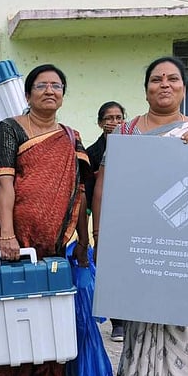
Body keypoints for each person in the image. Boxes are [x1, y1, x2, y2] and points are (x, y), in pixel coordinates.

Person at [92, 56, 188, 376]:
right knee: (142, 315)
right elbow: (105, 187)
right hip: (141, 239)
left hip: (185, 244)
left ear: (183, 86)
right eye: (156, 79)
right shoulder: (126, 133)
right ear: (145, 87)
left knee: (185, 319)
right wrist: (101, 235)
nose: (164, 85)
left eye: (173, 79)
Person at [0, 63, 91, 376]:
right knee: (7, 312)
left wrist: (84, 241)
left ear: (64, 95)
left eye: (57, 85)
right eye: (42, 85)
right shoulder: (9, 130)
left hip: (52, 243)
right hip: (9, 238)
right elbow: (4, 183)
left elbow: (79, 192)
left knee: (46, 314)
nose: (50, 91)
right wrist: (7, 234)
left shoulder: (71, 137)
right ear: (27, 94)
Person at [85, 101, 127, 341]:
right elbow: (89, 193)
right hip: (103, 218)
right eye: (109, 118)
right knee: (107, 270)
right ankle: (117, 322)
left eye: (118, 118)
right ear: (100, 123)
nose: (114, 122)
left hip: (128, 216)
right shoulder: (92, 153)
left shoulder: (134, 148)